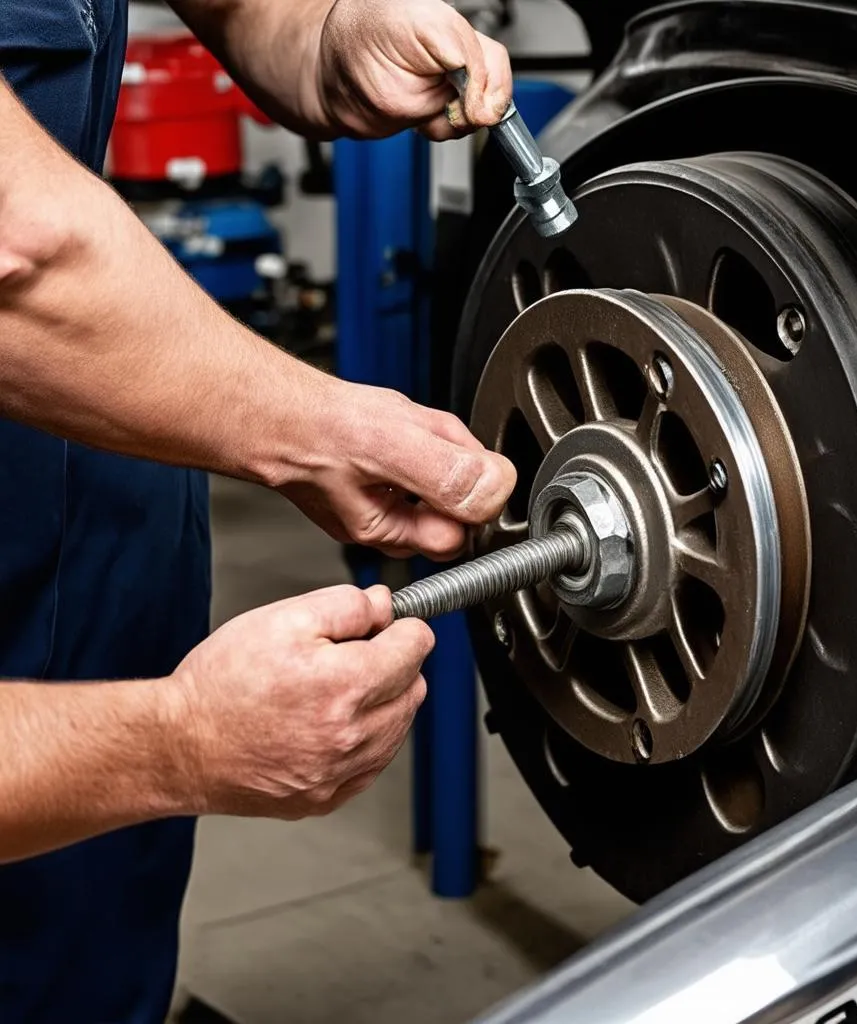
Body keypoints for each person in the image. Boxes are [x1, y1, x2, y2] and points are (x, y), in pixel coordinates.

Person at [0, 0, 516, 1020]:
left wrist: (316, 28)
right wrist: (172, 740)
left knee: (91, 925)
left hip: (88, 446)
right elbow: (18, 250)